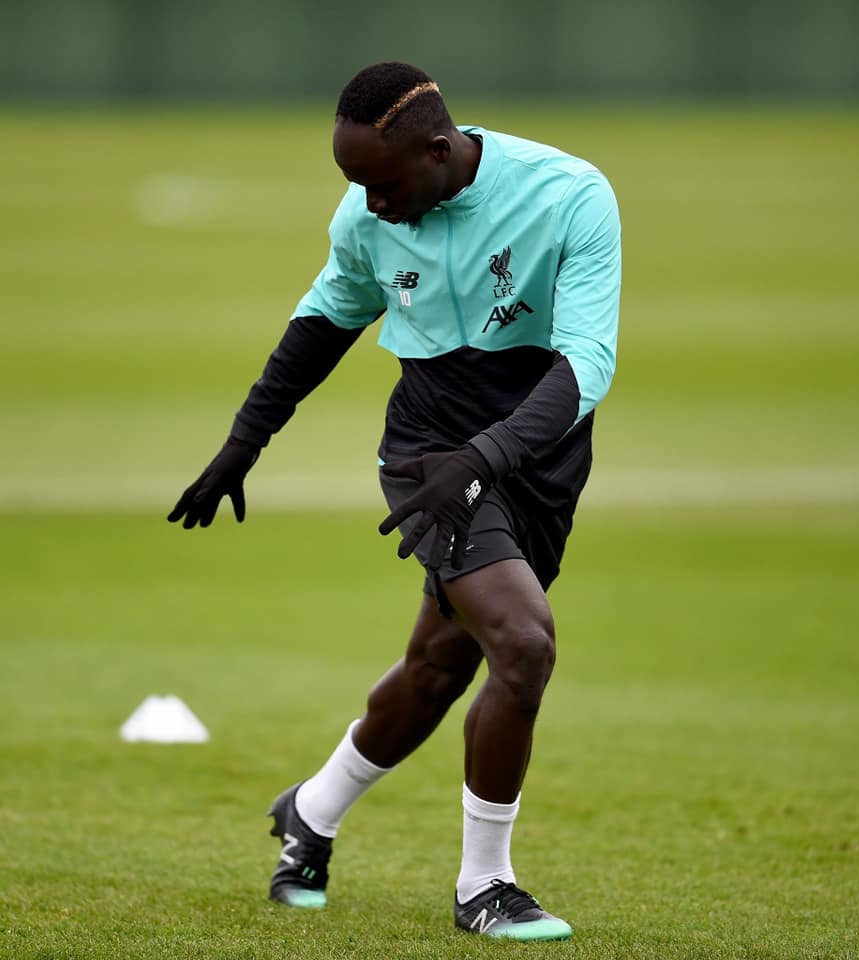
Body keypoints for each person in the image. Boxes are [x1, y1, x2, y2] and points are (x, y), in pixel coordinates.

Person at [168, 61, 621, 942]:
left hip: (538, 451)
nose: (367, 206)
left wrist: (488, 458)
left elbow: (586, 366)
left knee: (437, 670)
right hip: (427, 453)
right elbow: (325, 318)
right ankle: (484, 887)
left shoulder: (570, 195)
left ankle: (310, 811)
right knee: (522, 646)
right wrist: (242, 442)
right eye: (353, 185)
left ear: (441, 151)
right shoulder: (366, 213)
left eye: (381, 183)